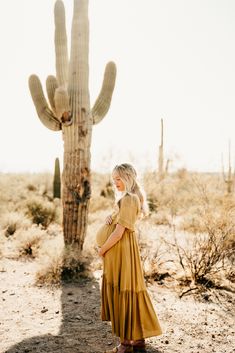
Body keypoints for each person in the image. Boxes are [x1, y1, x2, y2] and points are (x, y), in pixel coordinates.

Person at [97, 163, 162, 353]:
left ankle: (125, 345)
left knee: (122, 291)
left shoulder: (129, 199)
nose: (115, 182)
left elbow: (118, 233)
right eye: (113, 178)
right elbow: (121, 223)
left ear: (128, 178)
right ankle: (138, 342)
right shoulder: (131, 198)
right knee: (129, 290)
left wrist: (102, 250)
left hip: (120, 250)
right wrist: (111, 217)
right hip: (123, 249)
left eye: (118, 178)